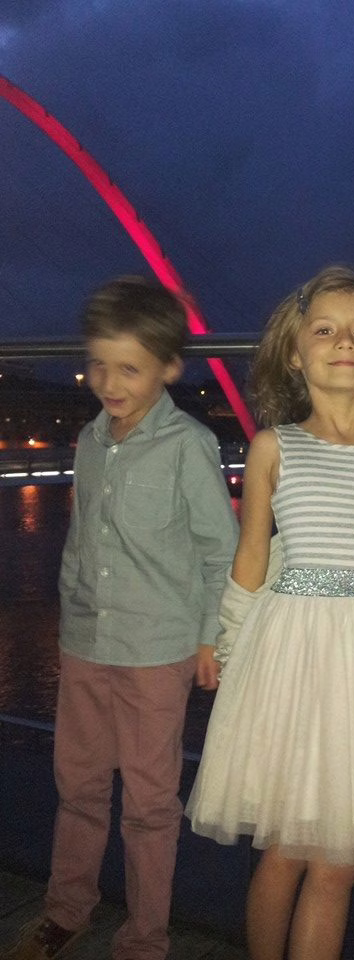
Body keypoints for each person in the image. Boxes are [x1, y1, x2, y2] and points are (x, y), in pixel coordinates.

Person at [186, 265, 354, 960]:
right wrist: (228, 647)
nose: (344, 342)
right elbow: (251, 561)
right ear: (295, 354)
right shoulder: (275, 447)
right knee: (288, 850)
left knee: (340, 865)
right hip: (295, 664)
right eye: (324, 330)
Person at [3, 277, 239, 960]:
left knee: (149, 804)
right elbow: (84, 541)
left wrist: (209, 638)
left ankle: (145, 938)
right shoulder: (89, 438)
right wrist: (67, 609)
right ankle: (66, 910)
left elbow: (217, 552)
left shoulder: (187, 445)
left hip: (157, 651)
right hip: (86, 641)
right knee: (76, 785)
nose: (108, 380)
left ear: (168, 367)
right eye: (98, 363)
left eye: (128, 367)